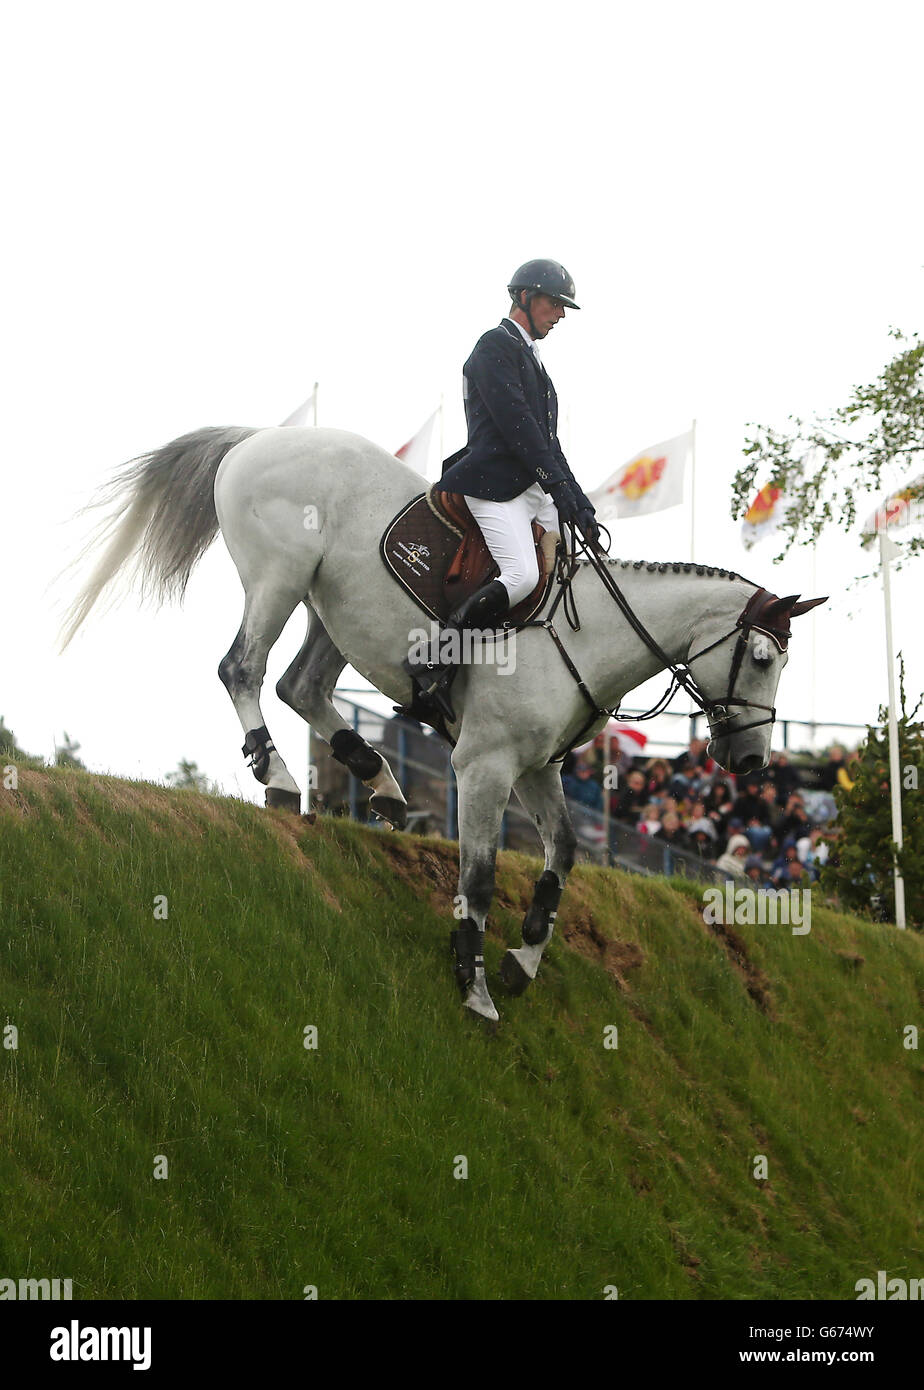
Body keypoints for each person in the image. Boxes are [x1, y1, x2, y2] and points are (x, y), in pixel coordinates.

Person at [403, 259, 600, 719]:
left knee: (576, 560)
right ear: (525, 299)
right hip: (495, 485)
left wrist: (576, 498)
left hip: (529, 483)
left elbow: (547, 441)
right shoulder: (493, 346)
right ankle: (438, 659)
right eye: (555, 304)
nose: (561, 314)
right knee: (522, 576)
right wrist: (558, 488)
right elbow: (521, 430)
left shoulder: (529, 354)